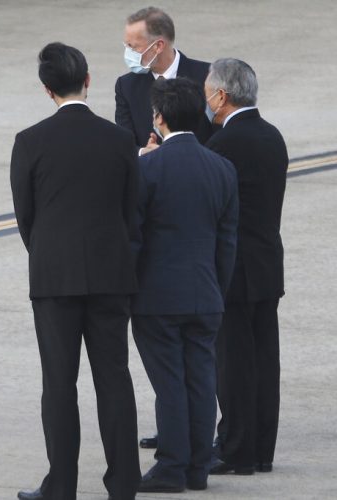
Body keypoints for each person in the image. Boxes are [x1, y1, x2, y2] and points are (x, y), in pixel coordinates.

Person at [11, 42, 141, 500]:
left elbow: (25, 217)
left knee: (59, 385)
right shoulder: (120, 139)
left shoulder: (29, 142)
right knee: (114, 379)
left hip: (54, 279)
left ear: (47, 90)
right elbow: (131, 211)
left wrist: (50, 254)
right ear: (88, 81)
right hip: (110, 274)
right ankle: (124, 483)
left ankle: (61, 485)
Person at [130, 77, 238, 493]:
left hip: (157, 297)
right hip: (206, 292)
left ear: (159, 117)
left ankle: (172, 466)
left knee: (170, 383)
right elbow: (227, 241)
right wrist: (217, 288)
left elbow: (135, 237)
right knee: (201, 379)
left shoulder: (147, 168)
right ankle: (197, 468)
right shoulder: (221, 167)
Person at [204, 58, 288, 476]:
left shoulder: (223, 144)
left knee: (233, 362)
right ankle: (260, 449)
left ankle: (235, 449)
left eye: (207, 92)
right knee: (263, 360)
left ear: (222, 95)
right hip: (267, 264)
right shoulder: (272, 136)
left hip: (234, 268)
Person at [115, 6, 214, 156]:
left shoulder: (208, 76)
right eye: (126, 45)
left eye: (133, 47)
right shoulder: (126, 86)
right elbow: (124, 143)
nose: (128, 52)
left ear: (158, 46)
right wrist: (144, 152)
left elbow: (222, 134)